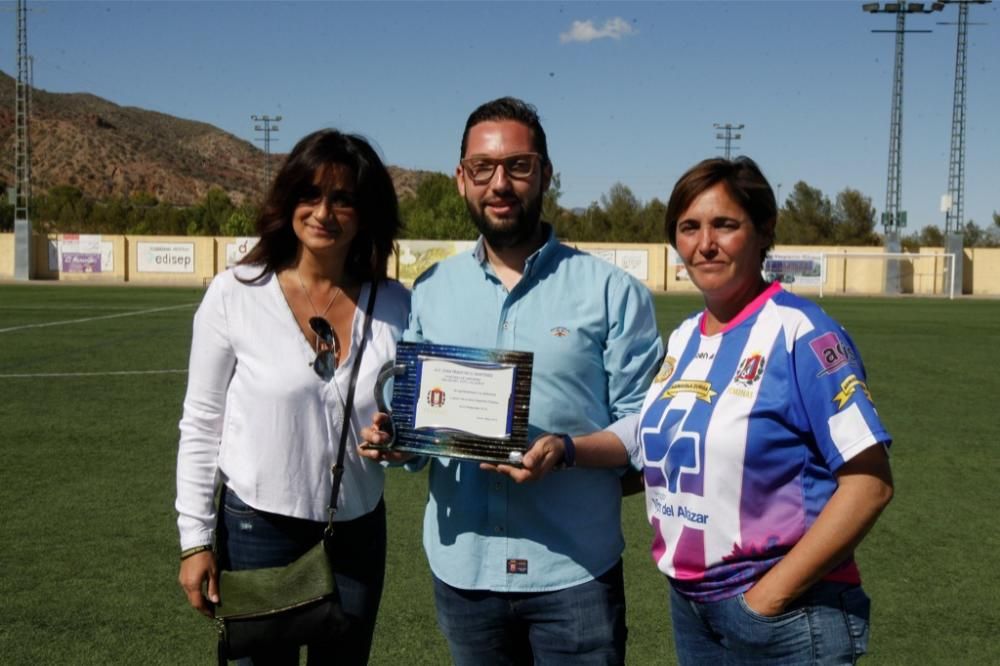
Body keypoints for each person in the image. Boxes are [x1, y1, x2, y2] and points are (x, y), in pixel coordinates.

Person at [361, 97, 663, 665]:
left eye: (519, 166)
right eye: (483, 168)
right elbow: (421, 439)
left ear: (545, 175)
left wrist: (566, 450)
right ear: (461, 180)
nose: (500, 183)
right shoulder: (431, 290)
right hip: (465, 573)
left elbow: (645, 430)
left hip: (574, 574)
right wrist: (397, 441)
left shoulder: (611, 292)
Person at [582, 156, 894, 664]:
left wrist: (765, 600)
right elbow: (657, 440)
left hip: (787, 612)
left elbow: (870, 484)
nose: (705, 243)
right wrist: (565, 451)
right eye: (689, 228)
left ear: (763, 229)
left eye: (724, 224)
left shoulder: (803, 333)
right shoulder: (685, 336)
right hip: (694, 608)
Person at [175, 129, 410, 664]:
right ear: (288, 201)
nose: (323, 211)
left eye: (343, 198)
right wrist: (195, 539)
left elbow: (415, 413)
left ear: (367, 211)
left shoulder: (397, 304)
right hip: (258, 529)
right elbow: (202, 421)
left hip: (357, 529)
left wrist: (400, 440)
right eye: (310, 194)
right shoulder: (237, 292)